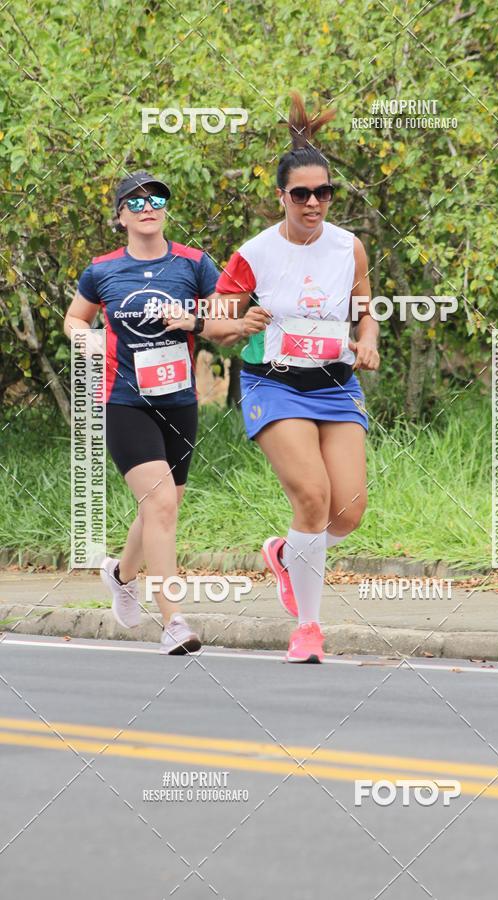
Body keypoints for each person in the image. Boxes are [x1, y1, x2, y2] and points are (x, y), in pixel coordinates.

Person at [208, 92, 380, 663]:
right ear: (281, 196)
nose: (314, 203)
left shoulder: (347, 247)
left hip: (333, 383)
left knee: (347, 510)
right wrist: (241, 320)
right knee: (313, 496)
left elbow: (364, 306)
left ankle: (288, 554)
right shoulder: (253, 253)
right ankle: (308, 628)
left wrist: (369, 340)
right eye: (301, 194)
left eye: (324, 193)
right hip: (273, 382)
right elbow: (214, 323)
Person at [64, 170, 220, 654]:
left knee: (162, 504)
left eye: (156, 198)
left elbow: (225, 319)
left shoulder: (194, 264)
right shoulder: (102, 270)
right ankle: (174, 621)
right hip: (124, 401)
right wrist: (85, 342)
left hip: (179, 400)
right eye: (135, 202)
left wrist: (192, 319)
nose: (147, 206)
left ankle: (120, 573)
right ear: (119, 216)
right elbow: (76, 317)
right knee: (161, 505)